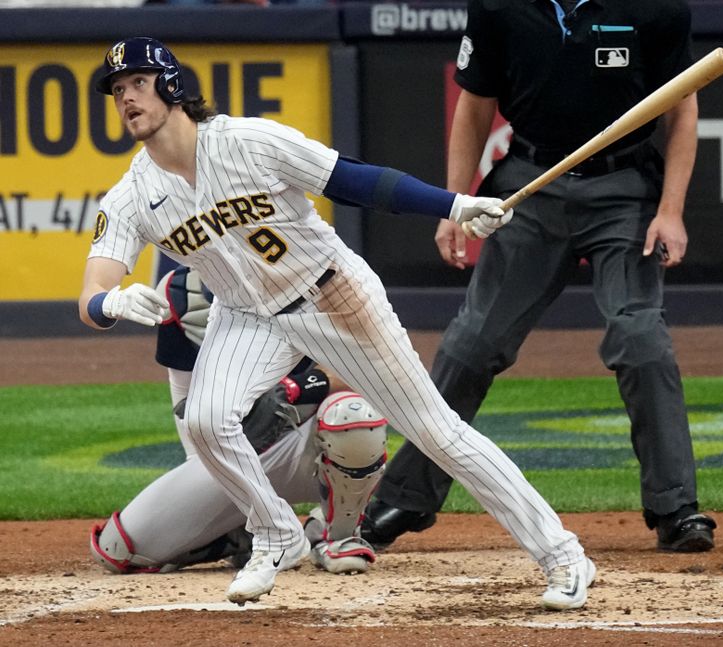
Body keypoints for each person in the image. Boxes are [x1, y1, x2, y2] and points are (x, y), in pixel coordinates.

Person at [78, 36, 593, 611]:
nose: (126, 98)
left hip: (333, 294)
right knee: (205, 419)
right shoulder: (131, 196)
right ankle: (276, 533)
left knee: (435, 432)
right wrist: (112, 304)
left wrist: (453, 206)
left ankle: (563, 555)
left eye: (139, 84)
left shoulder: (248, 141)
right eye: (118, 91)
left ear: (171, 86)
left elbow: (356, 180)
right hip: (247, 317)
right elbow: (93, 290)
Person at [362, 0, 717, 554]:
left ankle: (676, 507)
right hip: (530, 185)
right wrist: (454, 204)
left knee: (640, 338)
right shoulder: (499, 8)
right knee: (473, 344)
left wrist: (671, 210)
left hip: (625, 190)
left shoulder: (657, 8)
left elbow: (681, 109)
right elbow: (476, 107)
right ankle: (407, 494)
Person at [90, 266, 387, 577]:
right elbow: (186, 406)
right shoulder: (182, 292)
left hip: (307, 449)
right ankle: (239, 533)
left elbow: (374, 366)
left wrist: (294, 388)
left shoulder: (320, 272)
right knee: (118, 550)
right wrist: (217, 493)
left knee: (353, 412)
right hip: (235, 458)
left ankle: (336, 534)